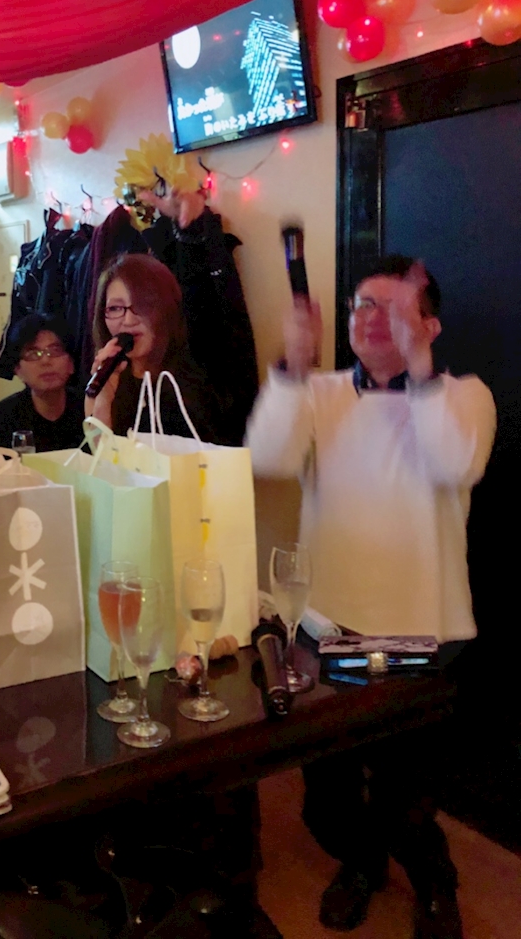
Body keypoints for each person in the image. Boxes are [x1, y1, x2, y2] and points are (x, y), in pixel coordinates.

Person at [245, 255, 496, 939]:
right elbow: (266, 457)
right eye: (361, 305)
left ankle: (434, 880)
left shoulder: (464, 396)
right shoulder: (320, 393)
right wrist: (293, 368)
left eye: (394, 307)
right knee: (324, 799)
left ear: (430, 325)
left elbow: (453, 461)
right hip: (327, 631)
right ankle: (361, 863)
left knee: (405, 795)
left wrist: (418, 372)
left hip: (422, 633)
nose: (371, 318)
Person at [85, 252, 218, 442]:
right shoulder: (100, 383)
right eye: (115, 308)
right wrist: (103, 401)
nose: (128, 320)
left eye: (142, 305)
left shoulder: (197, 380)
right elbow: (97, 456)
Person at [0, 312, 85, 452]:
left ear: (71, 364)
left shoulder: (89, 410)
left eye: (55, 351)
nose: (46, 361)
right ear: (18, 370)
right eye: (33, 354)